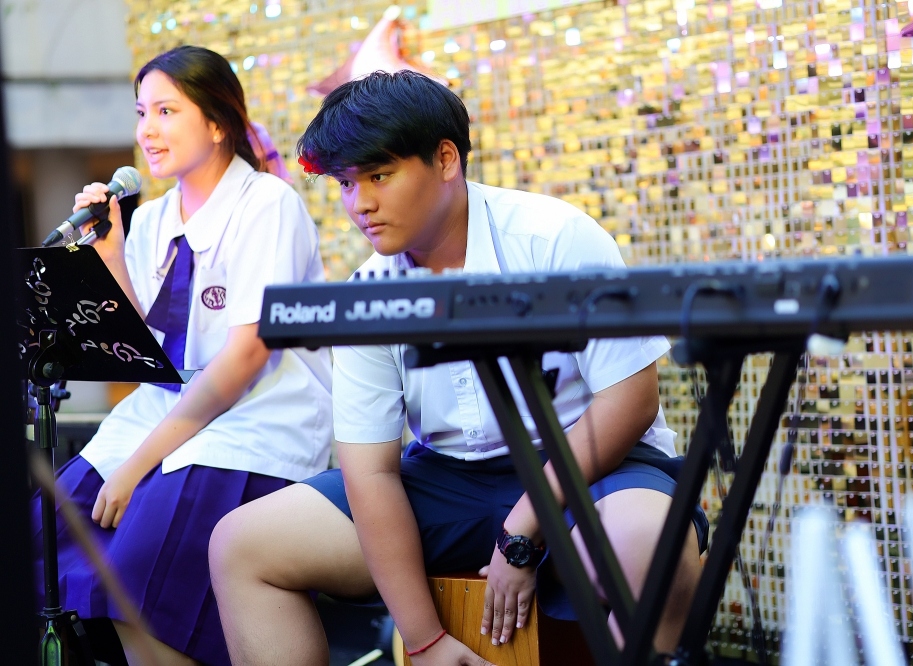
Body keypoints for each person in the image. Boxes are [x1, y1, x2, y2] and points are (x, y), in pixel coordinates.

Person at [210, 70, 708, 666]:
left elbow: (631, 401)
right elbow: (370, 473)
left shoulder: (555, 238)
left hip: (591, 465)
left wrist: (522, 532)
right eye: (345, 183)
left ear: (446, 159)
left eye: (379, 176)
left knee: (650, 548)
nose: (359, 204)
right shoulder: (369, 288)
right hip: (449, 480)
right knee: (242, 545)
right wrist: (423, 641)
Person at [30, 45, 333, 666]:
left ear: (218, 123)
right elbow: (140, 344)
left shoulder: (267, 204)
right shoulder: (153, 218)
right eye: (141, 112)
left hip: (247, 424)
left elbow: (244, 357)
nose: (148, 130)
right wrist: (110, 255)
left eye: (166, 111)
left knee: (142, 566)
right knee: (46, 535)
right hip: (158, 417)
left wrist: (139, 464)